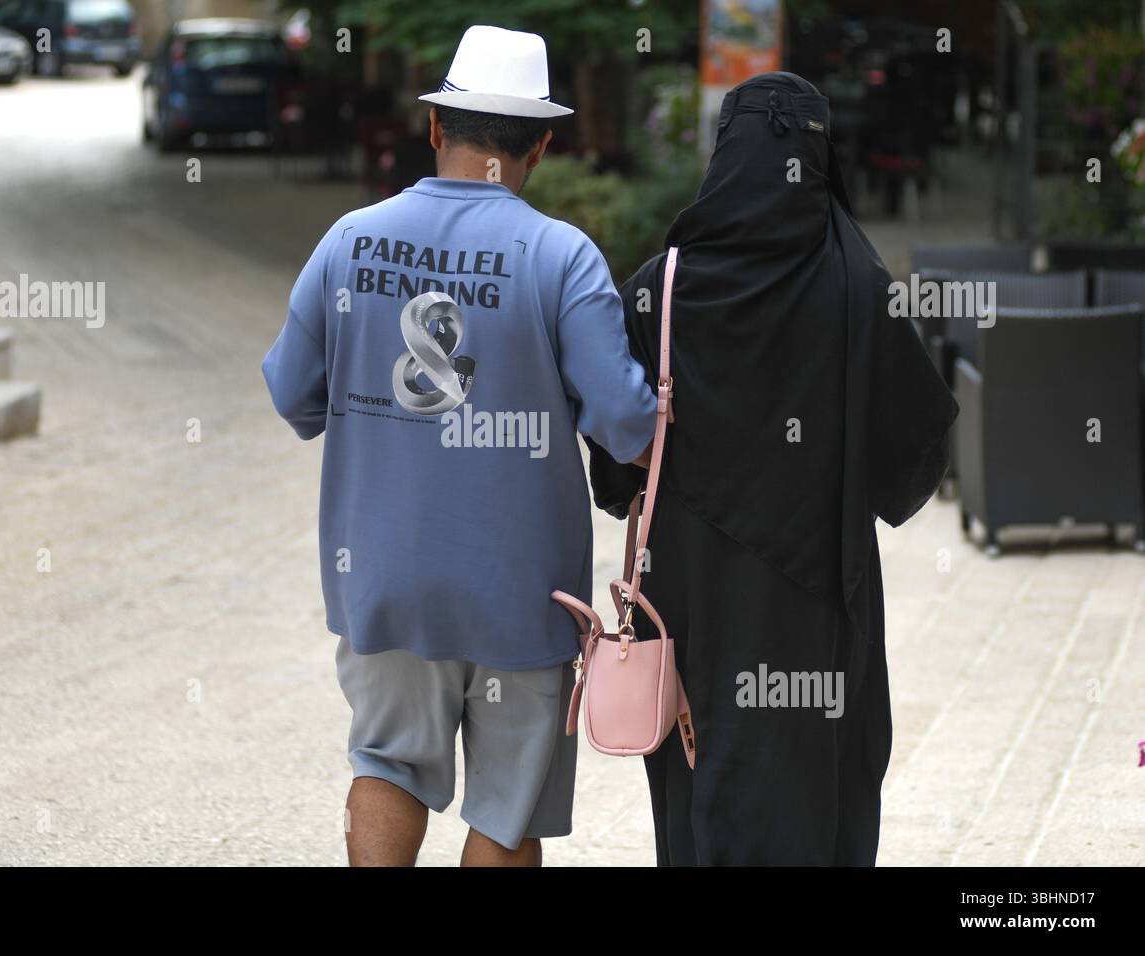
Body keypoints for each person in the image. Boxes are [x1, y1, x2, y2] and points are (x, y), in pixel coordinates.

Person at [262, 25, 655, 867]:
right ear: (542, 147)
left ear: (437, 128)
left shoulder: (349, 240)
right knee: (509, 807)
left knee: (386, 762)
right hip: (523, 595)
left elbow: (292, 393)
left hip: (384, 577)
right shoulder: (564, 258)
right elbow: (627, 424)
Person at [587, 72, 958, 866]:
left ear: (725, 154)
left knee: (700, 760)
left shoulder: (664, 289)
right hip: (819, 594)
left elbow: (617, 452)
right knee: (814, 773)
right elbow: (915, 446)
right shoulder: (860, 286)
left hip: (690, 589)